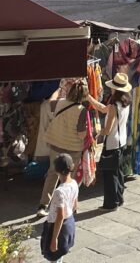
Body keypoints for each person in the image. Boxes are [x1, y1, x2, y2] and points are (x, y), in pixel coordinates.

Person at [37, 80, 89, 214]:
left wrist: (58, 90)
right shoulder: (82, 110)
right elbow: (81, 134)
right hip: (73, 147)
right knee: (70, 176)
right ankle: (68, 205)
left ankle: (43, 205)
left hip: (56, 143)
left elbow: (49, 102)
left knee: (52, 173)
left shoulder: (60, 103)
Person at [90, 73, 131, 210]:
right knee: (118, 173)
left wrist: (97, 133)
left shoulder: (114, 106)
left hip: (112, 143)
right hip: (121, 141)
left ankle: (111, 203)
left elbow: (107, 130)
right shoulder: (125, 102)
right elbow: (102, 109)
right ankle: (119, 199)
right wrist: (89, 98)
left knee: (110, 175)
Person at [40, 152, 78, 261]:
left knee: (54, 256)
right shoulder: (74, 183)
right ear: (71, 167)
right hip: (69, 222)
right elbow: (75, 204)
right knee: (59, 255)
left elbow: (60, 216)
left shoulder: (59, 192)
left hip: (56, 226)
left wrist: (54, 238)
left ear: (57, 170)